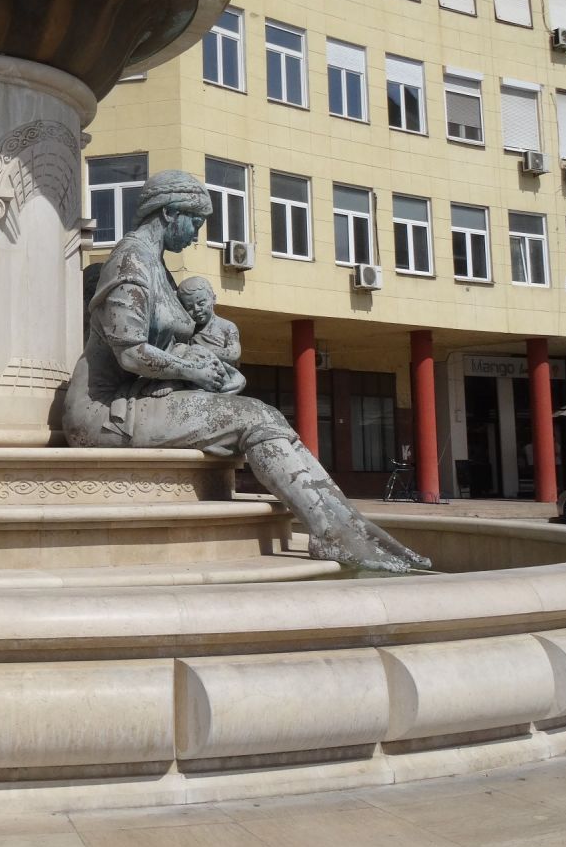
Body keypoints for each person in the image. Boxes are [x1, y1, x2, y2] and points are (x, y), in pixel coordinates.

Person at [63, 169, 429, 573]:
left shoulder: (157, 266)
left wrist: (211, 367)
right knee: (256, 417)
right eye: (195, 222)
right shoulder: (130, 263)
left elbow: (168, 344)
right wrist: (193, 371)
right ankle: (336, 534)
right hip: (104, 411)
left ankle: (351, 531)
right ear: (168, 213)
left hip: (141, 397)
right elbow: (131, 352)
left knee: (265, 415)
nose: (196, 235)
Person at [174, 277, 245, 393]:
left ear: (214, 299)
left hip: (218, 374)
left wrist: (204, 350)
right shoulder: (189, 330)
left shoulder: (227, 326)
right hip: (195, 373)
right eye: (190, 307)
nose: (196, 309)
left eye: (201, 303)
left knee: (194, 351)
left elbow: (234, 354)